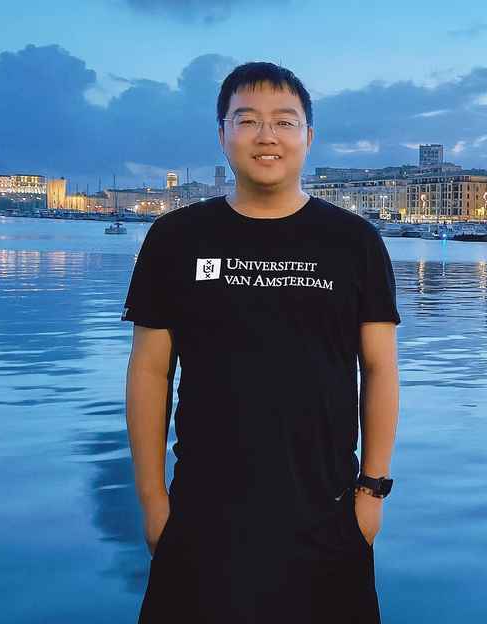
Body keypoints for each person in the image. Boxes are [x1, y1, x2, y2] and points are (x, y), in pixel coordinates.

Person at [121, 61, 401, 623]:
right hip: (202, 518)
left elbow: (379, 370)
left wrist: (371, 494)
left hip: (328, 516)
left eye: (284, 122)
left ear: (308, 137)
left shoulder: (355, 243)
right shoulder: (176, 238)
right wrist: (153, 501)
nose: (266, 136)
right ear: (222, 134)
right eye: (247, 120)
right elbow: (150, 371)